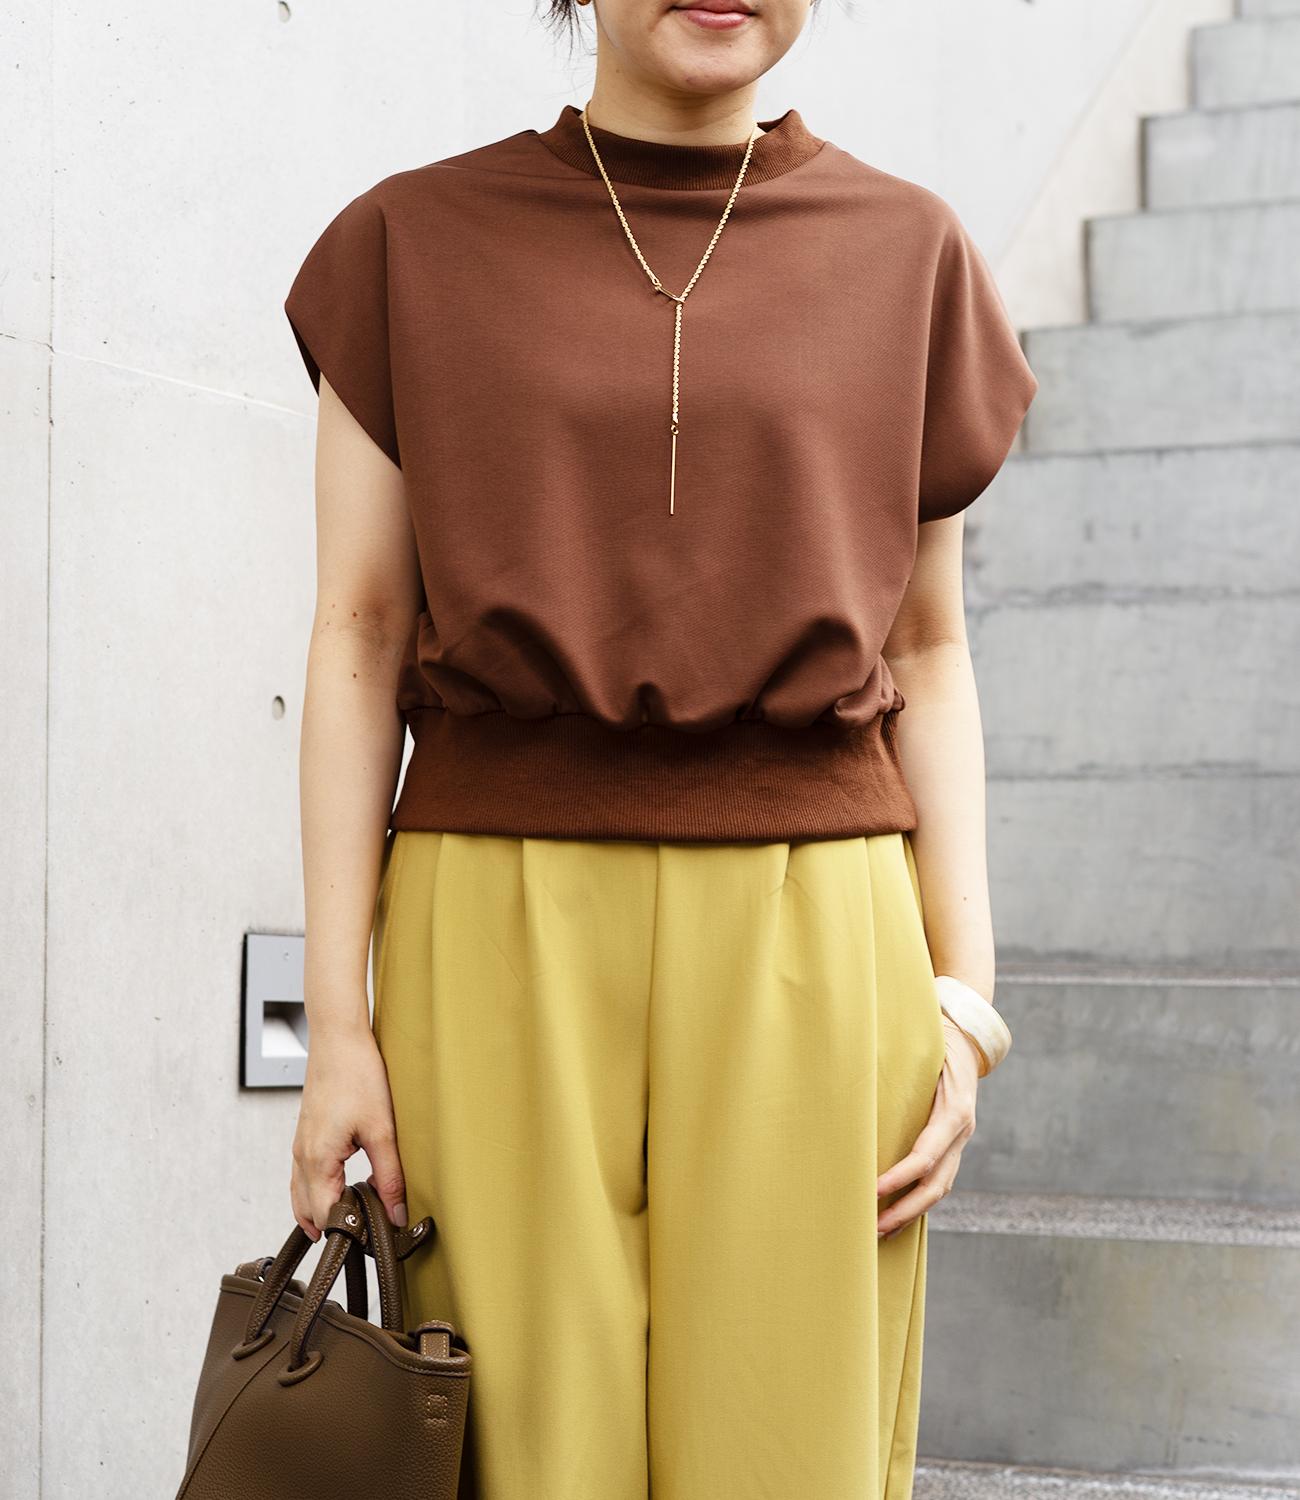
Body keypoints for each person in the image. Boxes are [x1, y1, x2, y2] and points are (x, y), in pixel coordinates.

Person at [282, 0, 1037, 1494]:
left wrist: (967, 1001)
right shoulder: (407, 247)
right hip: (493, 925)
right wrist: (338, 1031)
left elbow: (928, 652)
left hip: (816, 927)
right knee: (520, 1454)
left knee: (792, 1452)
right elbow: (360, 633)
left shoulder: (912, 254)